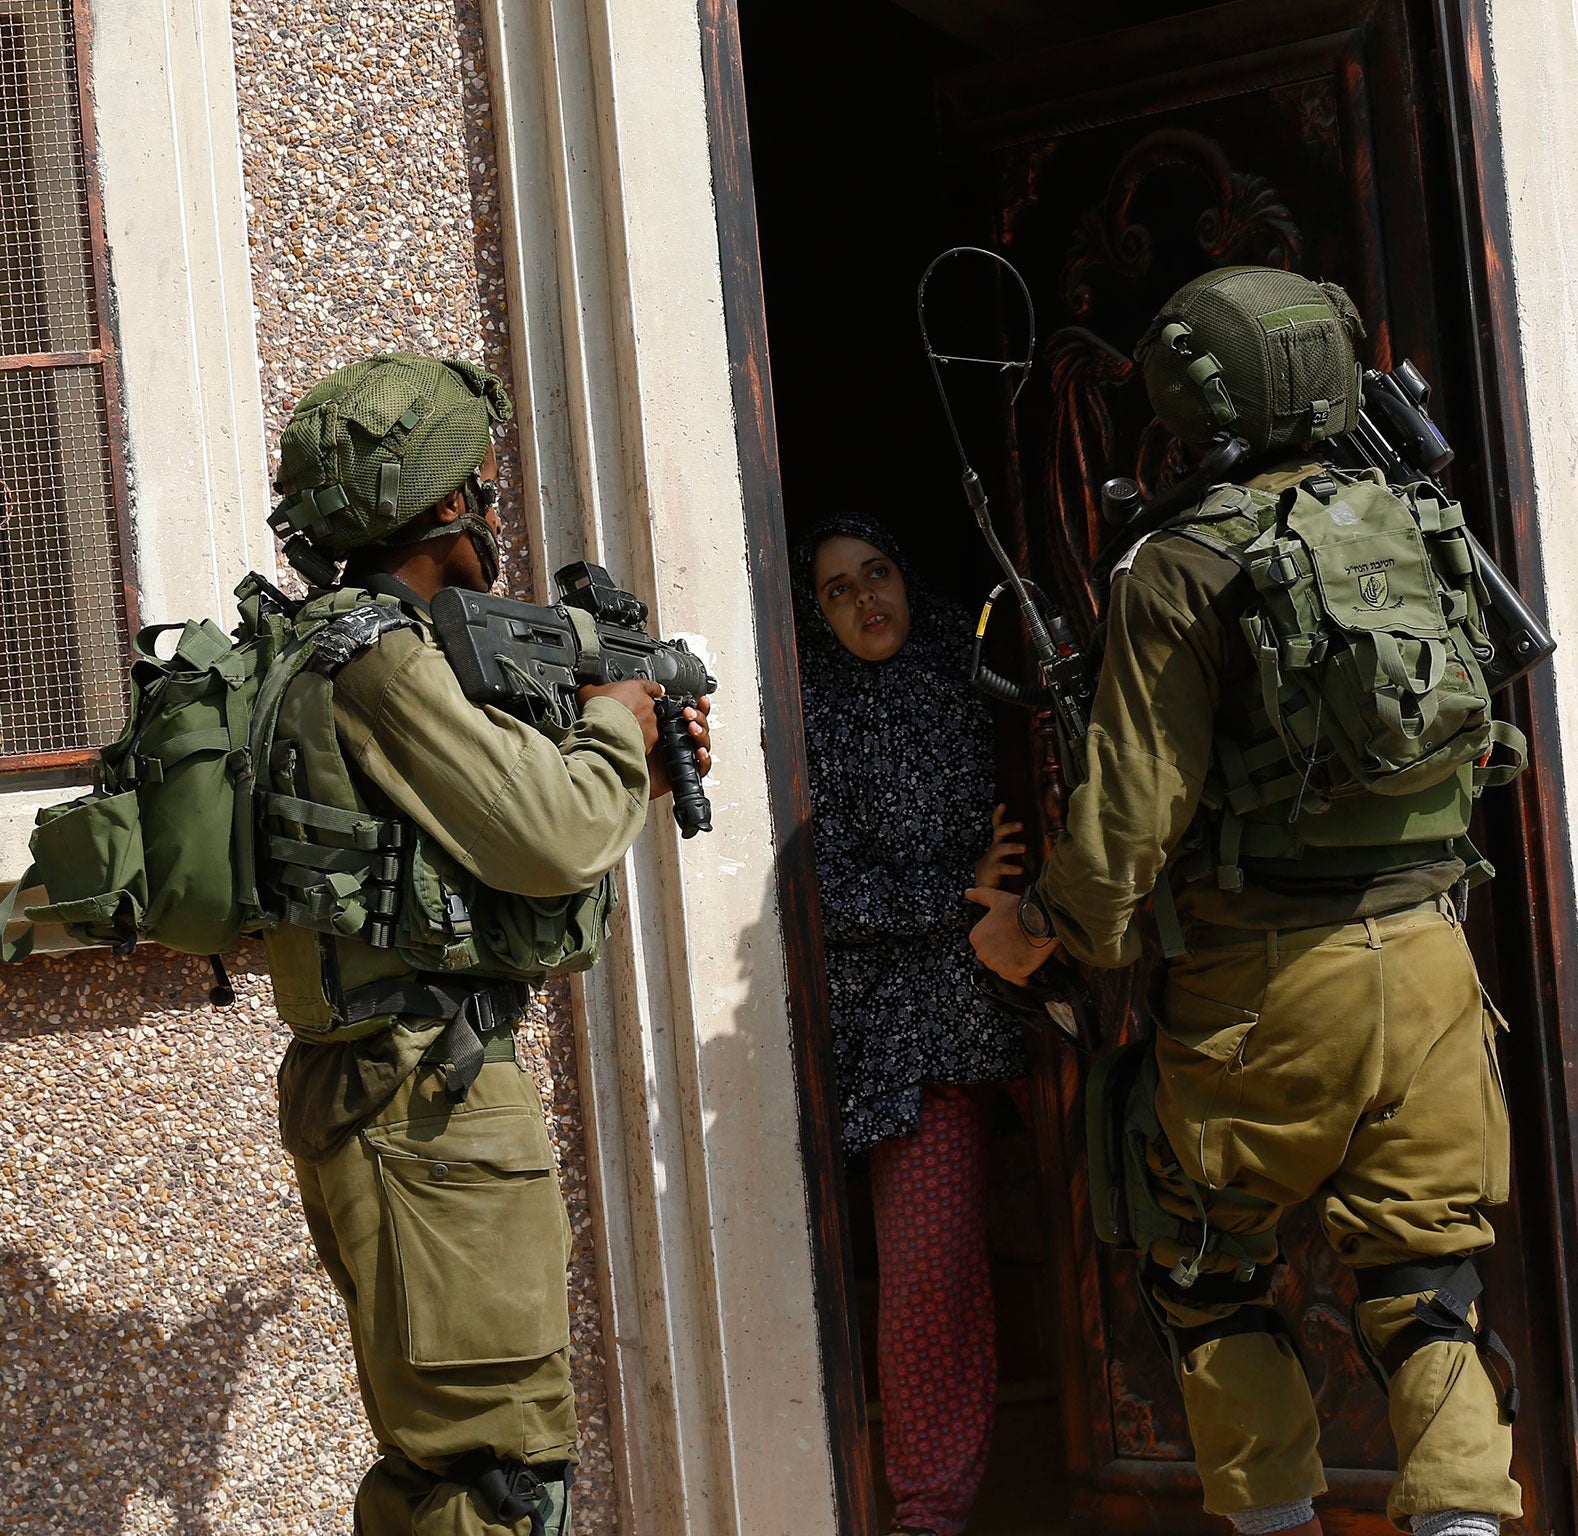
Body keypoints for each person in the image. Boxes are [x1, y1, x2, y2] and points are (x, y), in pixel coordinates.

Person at [966, 268, 1526, 1536]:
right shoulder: (1411, 524)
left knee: (1206, 1270)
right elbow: (1492, 751)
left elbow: (1126, 815)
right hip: (1434, 971)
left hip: (1262, 988)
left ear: (1183, 394)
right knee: (1425, 1285)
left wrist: (1040, 935)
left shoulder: (1178, 562)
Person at [262, 353, 709, 1536]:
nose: (495, 509)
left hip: (393, 1088)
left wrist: (625, 769)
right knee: (496, 1477)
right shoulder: (381, 659)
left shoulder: (321, 646)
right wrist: (615, 735)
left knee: (443, 1465)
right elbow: (552, 837)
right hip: (428, 1108)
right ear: (451, 504)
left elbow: (449, 861)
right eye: (485, 483)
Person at [794, 512, 1027, 1536]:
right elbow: (822, 893)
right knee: (928, 1277)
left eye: (875, 572)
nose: (863, 599)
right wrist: (955, 896)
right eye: (837, 588)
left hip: (1043, 1001)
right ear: (814, 613)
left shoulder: (978, 674)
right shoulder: (808, 715)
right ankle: (930, 1516)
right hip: (912, 1039)